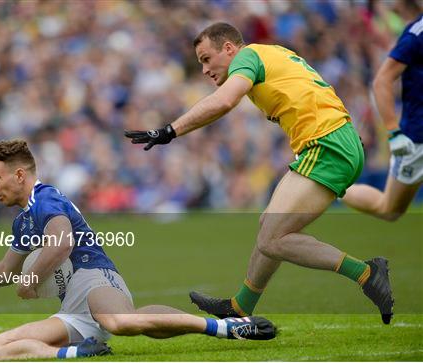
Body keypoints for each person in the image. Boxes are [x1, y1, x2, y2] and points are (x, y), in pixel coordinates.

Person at [125, 22, 394, 324]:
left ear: (229, 48)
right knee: (270, 225)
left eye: (206, 59)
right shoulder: (269, 54)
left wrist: (169, 131)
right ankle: (242, 306)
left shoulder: (247, 57)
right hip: (334, 139)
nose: (204, 70)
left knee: (272, 239)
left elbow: (224, 101)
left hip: (327, 143)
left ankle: (366, 273)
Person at [0, 139, 275, 361]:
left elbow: (62, 242)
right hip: (72, 311)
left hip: (94, 277)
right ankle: (77, 353)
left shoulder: (45, 198)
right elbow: (5, 272)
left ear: (19, 175)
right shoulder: (22, 222)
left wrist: (32, 278)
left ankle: (229, 328)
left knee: (120, 321)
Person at [343, 7, 422, 221]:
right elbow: (381, 81)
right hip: (417, 138)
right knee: (389, 209)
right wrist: (394, 133)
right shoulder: (416, 33)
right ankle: (336, 186)